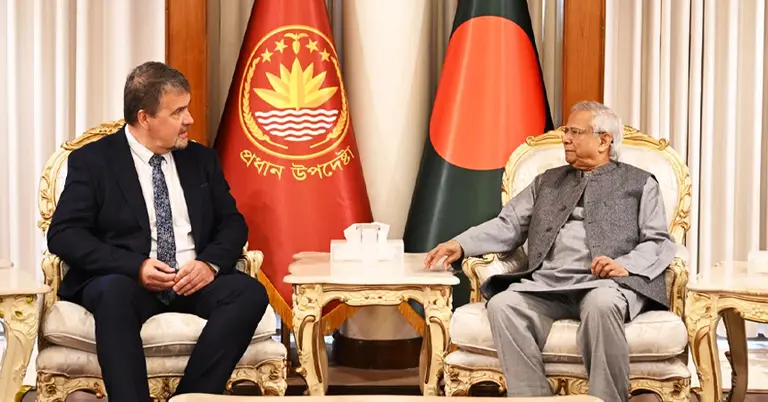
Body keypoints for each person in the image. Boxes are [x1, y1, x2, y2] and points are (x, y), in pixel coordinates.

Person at [424, 101, 676, 402]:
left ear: (604, 140)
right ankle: (533, 398)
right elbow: (508, 225)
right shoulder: (547, 181)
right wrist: (461, 244)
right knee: (503, 305)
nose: (565, 138)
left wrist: (626, 265)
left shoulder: (640, 183)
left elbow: (658, 240)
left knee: (602, 305)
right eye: (566, 131)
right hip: (547, 284)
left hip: (606, 284)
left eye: (575, 132)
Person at [47, 61, 269, 401]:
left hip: (192, 279)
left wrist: (208, 265)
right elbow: (64, 234)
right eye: (178, 112)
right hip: (128, 281)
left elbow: (232, 223)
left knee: (249, 293)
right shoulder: (94, 162)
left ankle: (191, 398)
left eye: (187, 109)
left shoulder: (201, 160)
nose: (189, 120)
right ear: (145, 118)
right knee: (112, 294)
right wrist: (134, 267)